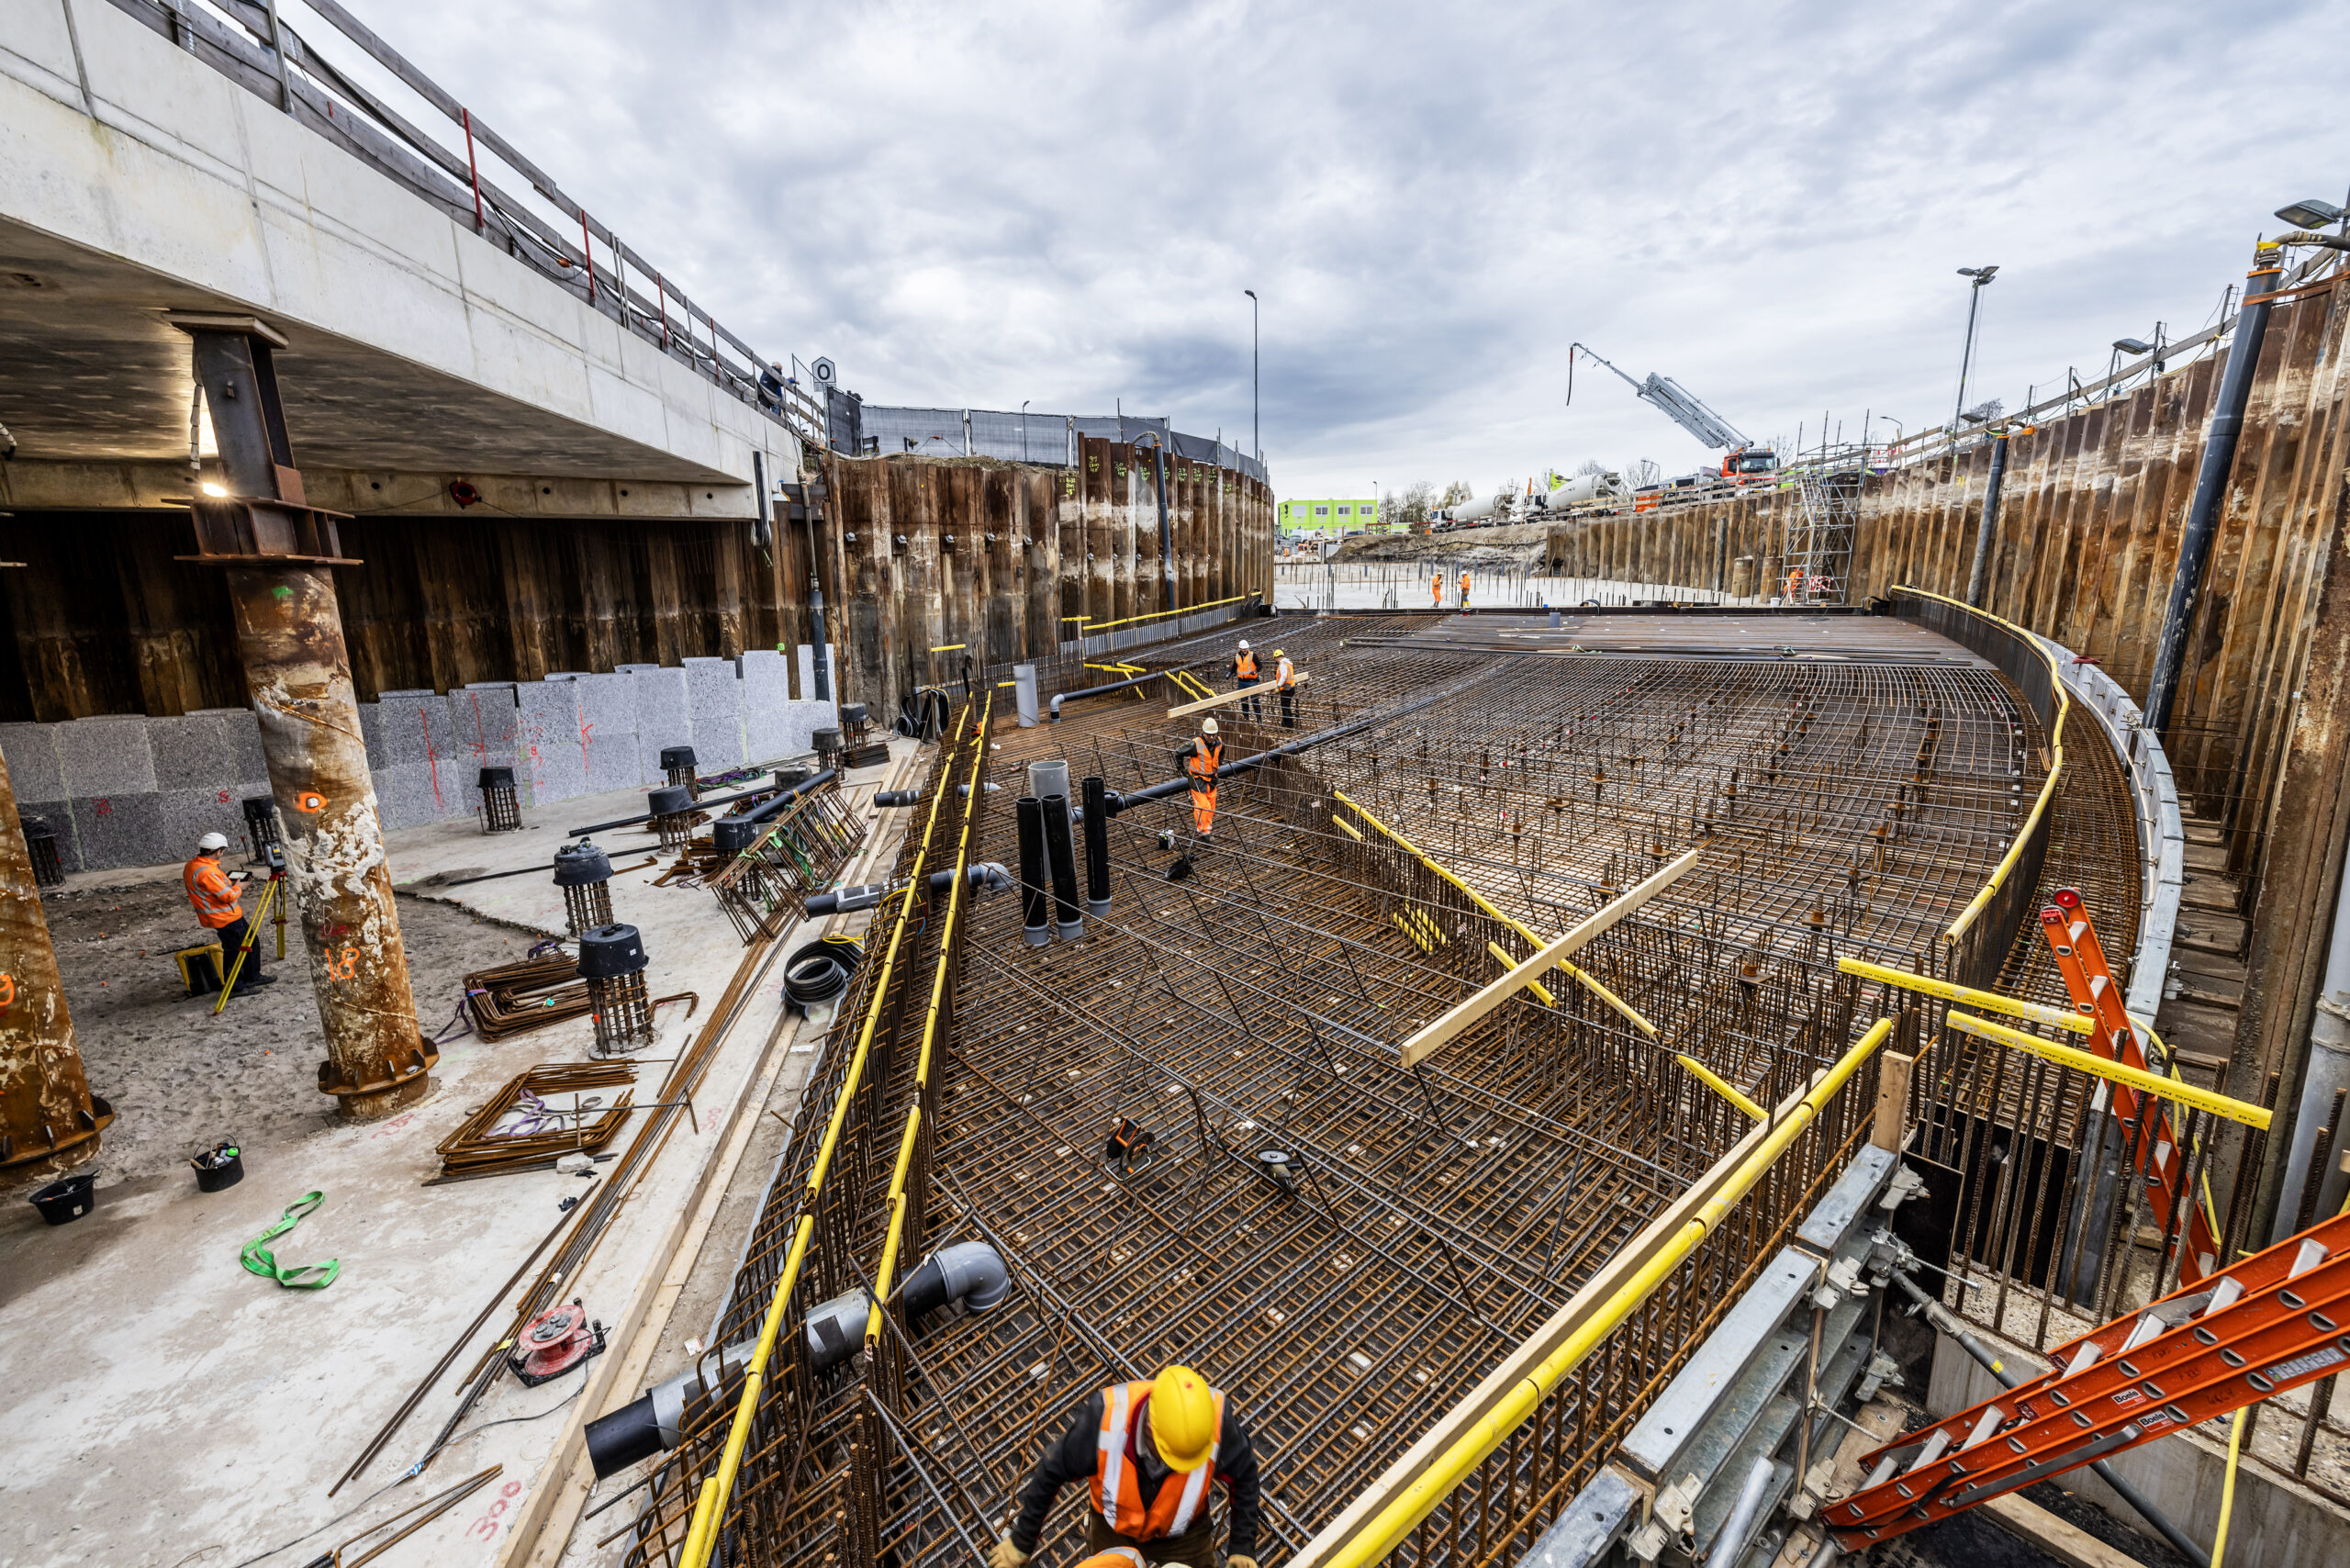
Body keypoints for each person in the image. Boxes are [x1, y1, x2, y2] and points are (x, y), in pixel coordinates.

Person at [991, 1364, 1261, 1568]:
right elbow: (1052, 1469)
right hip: (1113, 1530)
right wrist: (1022, 1540)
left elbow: (1245, 1476)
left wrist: (1242, 1544)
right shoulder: (1106, 1419)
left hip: (1183, 1536)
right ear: (1149, 1426)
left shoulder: (1215, 1423)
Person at [184, 831, 273, 995]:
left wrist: (231, 882)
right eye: (222, 851)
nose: (222, 854)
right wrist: (239, 887)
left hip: (227, 916)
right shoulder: (206, 871)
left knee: (251, 943)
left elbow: (215, 887)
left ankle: (252, 976)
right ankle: (235, 986)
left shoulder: (196, 865)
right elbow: (227, 896)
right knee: (235, 952)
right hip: (224, 918)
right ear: (218, 851)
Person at [1181, 718, 1222, 843]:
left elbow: (1221, 754)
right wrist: (1182, 770)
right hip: (1197, 780)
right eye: (1209, 735)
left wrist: (1217, 765)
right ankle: (1202, 831)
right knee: (1203, 806)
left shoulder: (1219, 743)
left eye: (1213, 734)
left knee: (1211, 806)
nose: (1211, 737)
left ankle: (1207, 829)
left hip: (1212, 780)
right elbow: (1178, 753)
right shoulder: (1195, 744)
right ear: (1203, 733)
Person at [1231, 640, 1262, 722]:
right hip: (1242, 682)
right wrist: (1229, 673)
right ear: (1240, 648)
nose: (1245, 650)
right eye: (1243, 649)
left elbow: (1260, 665)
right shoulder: (1237, 657)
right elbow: (1234, 666)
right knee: (1244, 701)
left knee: (1255, 700)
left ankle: (1259, 719)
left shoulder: (1252, 655)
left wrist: (1255, 671)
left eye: (1246, 648)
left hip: (1252, 681)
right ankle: (1246, 718)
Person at [1272, 648, 1299, 730]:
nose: (1276, 661)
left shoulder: (1282, 664)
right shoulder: (1288, 663)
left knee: (1286, 707)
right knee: (1285, 706)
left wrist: (1278, 687)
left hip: (1286, 689)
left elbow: (1284, 676)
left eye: (1275, 659)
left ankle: (1289, 726)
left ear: (1277, 657)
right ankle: (1284, 724)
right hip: (1290, 687)